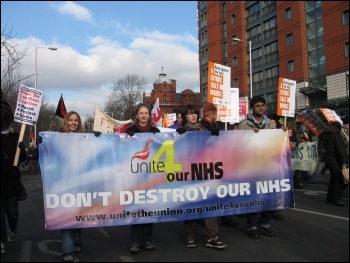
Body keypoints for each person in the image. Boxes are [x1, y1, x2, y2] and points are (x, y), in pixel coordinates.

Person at [176, 104, 226, 249]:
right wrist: (178, 136)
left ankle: (211, 237)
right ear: (184, 116)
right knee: (192, 206)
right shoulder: (179, 132)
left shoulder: (205, 130)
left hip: (206, 172)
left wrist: (215, 135)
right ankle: (190, 236)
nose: (194, 116)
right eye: (190, 114)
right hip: (189, 174)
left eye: (195, 114)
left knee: (209, 205)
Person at [238, 95, 287, 239]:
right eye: (258, 105)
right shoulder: (244, 124)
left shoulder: (271, 123)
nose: (261, 108)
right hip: (251, 165)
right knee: (253, 196)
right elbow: (237, 143)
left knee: (270, 195)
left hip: (269, 165)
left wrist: (282, 132)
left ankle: (265, 223)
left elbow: (277, 142)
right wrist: (249, 135)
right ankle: (252, 225)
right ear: (252, 108)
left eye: (263, 105)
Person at [124, 103, 160, 254]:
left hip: (151, 174)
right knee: (137, 208)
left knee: (149, 209)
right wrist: (126, 138)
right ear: (136, 115)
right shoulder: (129, 131)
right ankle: (135, 242)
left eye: (146, 113)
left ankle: (147, 240)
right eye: (141, 113)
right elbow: (121, 148)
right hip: (135, 175)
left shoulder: (156, 131)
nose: (144, 115)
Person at [200, 102, 239, 228]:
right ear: (210, 114)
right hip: (206, 164)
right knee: (207, 192)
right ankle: (204, 217)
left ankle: (225, 215)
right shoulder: (201, 126)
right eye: (214, 112)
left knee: (222, 190)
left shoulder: (217, 125)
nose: (216, 115)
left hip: (218, 162)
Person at [58, 111, 86, 262]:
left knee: (79, 214)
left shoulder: (84, 138)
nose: (73, 123)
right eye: (71, 120)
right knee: (67, 216)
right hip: (63, 183)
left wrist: (98, 138)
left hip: (81, 182)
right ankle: (68, 251)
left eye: (76, 120)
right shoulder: (56, 138)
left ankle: (76, 241)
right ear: (66, 122)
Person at [1, 127, 27, 254]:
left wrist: (22, 150)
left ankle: (13, 227)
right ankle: (2, 242)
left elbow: (22, 159)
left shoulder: (16, 137)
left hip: (11, 182)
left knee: (12, 212)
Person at [324, 121, 348, 206]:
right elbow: (340, 150)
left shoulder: (329, 136)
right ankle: (336, 199)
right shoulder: (337, 137)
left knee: (333, 179)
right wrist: (344, 162)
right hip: (335, 161)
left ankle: (330, 198)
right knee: (339, 179)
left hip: (330, 160)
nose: (330, 128)